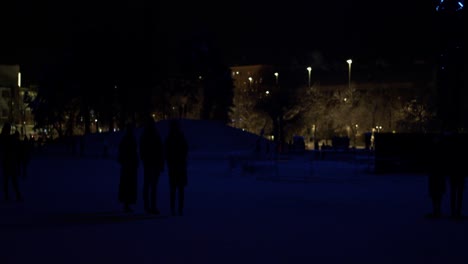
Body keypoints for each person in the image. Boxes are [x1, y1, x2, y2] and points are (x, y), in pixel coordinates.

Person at [139, 116, 164, 215]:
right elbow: (160, 149)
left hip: (152, 163)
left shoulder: (150, 135)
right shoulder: (151, 135)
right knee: (151, 186)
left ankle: (149, 206)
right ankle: (149, 206)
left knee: (150, 186)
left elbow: (160, 149)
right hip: (151, 163)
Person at [164, 119, 189, 216]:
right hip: (177, 167)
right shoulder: (177, 138)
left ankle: (176, 208)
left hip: (176, 167)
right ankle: (177, 208)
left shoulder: (171, 138)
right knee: (177, 189)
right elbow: (185, 149)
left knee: (175, 189)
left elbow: (166, 152)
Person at [117, 123, 139, 213]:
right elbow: (129, 152)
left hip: (129, 165)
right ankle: (126, 203)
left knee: (128, 184)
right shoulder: (128, 139)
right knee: (128, 184)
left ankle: (127, 203)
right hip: (128, 165)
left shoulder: (128, 139)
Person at [1, 124, 22, 202]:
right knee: (12, 180)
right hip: (8, 161)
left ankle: (12, 195)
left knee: (9, 180)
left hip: (8, 162)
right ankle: (16, 195)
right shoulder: (6, 138)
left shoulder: (5, 138)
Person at [426, 134, 446, 218]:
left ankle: (437, 210)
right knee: (436, 193)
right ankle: (436, 210)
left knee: (436, 192)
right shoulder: (439, 150)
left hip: (437, 173)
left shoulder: (435, 150)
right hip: (436, 173)